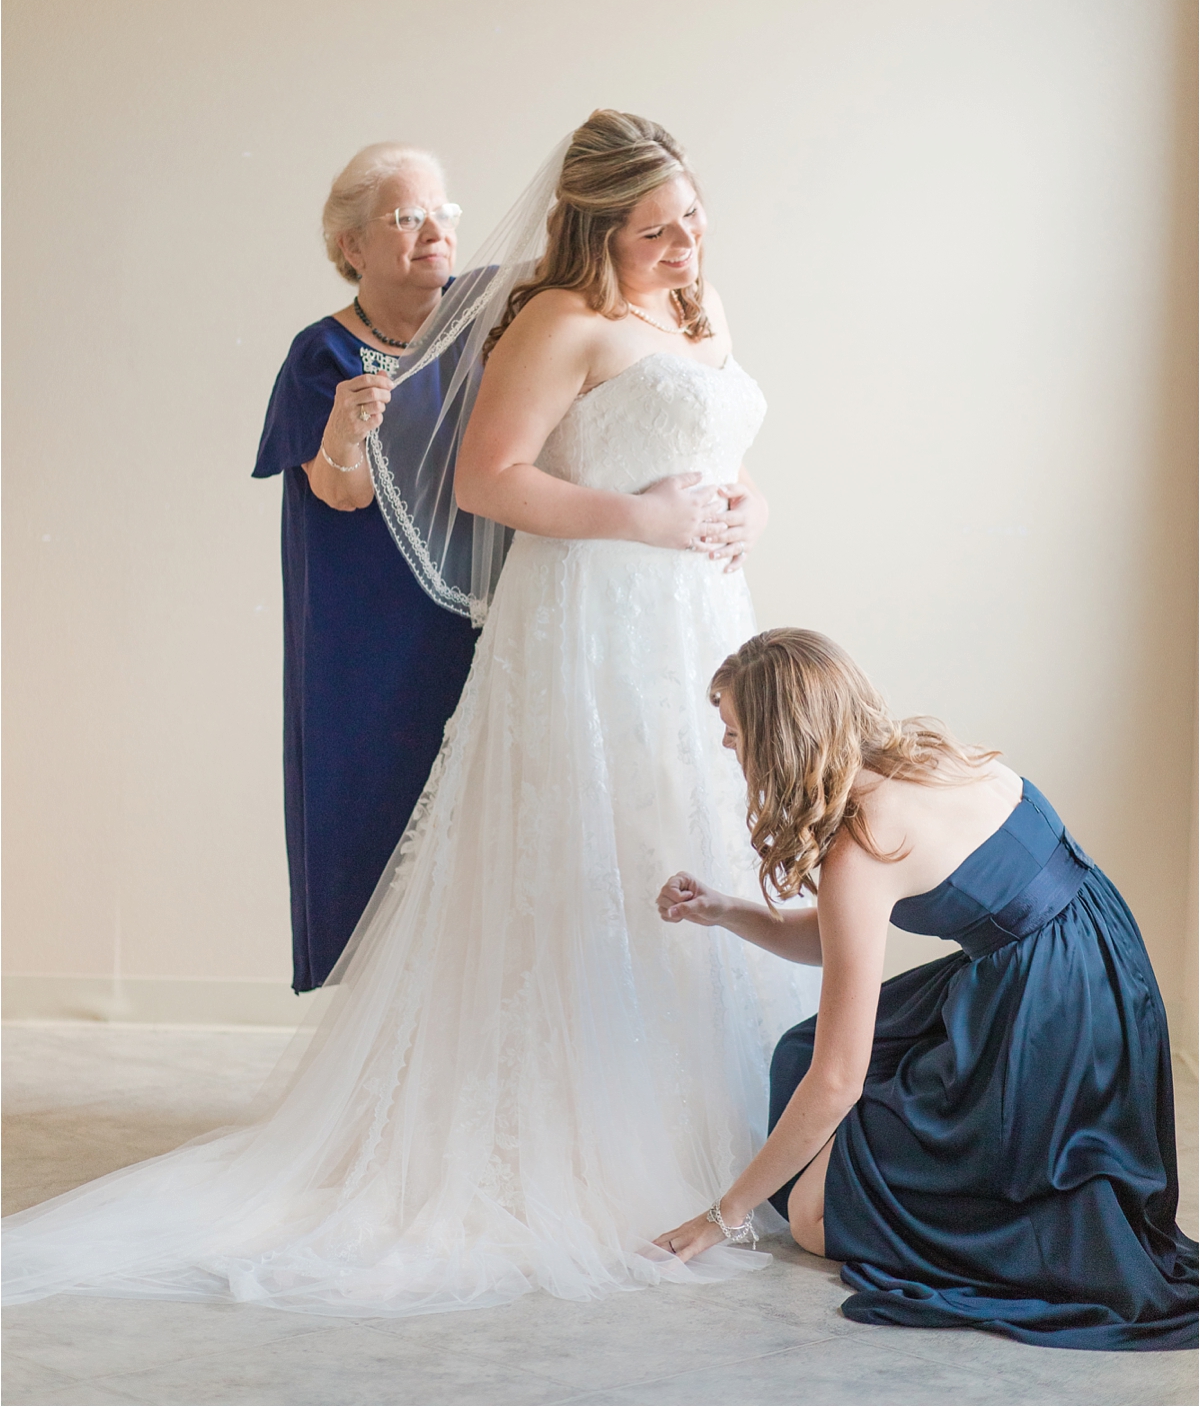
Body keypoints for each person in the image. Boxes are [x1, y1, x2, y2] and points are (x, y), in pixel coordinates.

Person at [3, 111, 819, 1315]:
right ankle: (588, 1133)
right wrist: (643, 522)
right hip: (595, 612)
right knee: (586, 847)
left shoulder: (694, 309)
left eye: (693, 218)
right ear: (601, 223)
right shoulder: (554, 320)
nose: (687, 243)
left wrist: (747, 509)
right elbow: (488, 476)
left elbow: (721, 440)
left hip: (699, 611)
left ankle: (728, 1134)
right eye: (658, 229)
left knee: (682, 833)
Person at [654, 627, 1198, 1351]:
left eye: (732, 735)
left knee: (814, 1215)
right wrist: (727, 910)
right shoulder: (928, 759)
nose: (729, 751)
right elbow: (838, 935)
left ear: (777, 741)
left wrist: (720, 1217)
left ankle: (973, 1202)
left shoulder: (865, 842)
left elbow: (839, 1078)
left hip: (1053, 1020)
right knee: (800, 1051)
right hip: (1096, 959)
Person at [253, 144, 479, 989]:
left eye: (442, 212)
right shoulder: (322, 356)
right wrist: (343, 436)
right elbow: (339, 496)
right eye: (407, 216)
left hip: (481, 606)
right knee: (376, 800)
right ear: (350, 246)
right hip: (366, 627)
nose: (434, 232)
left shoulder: (491, 320)